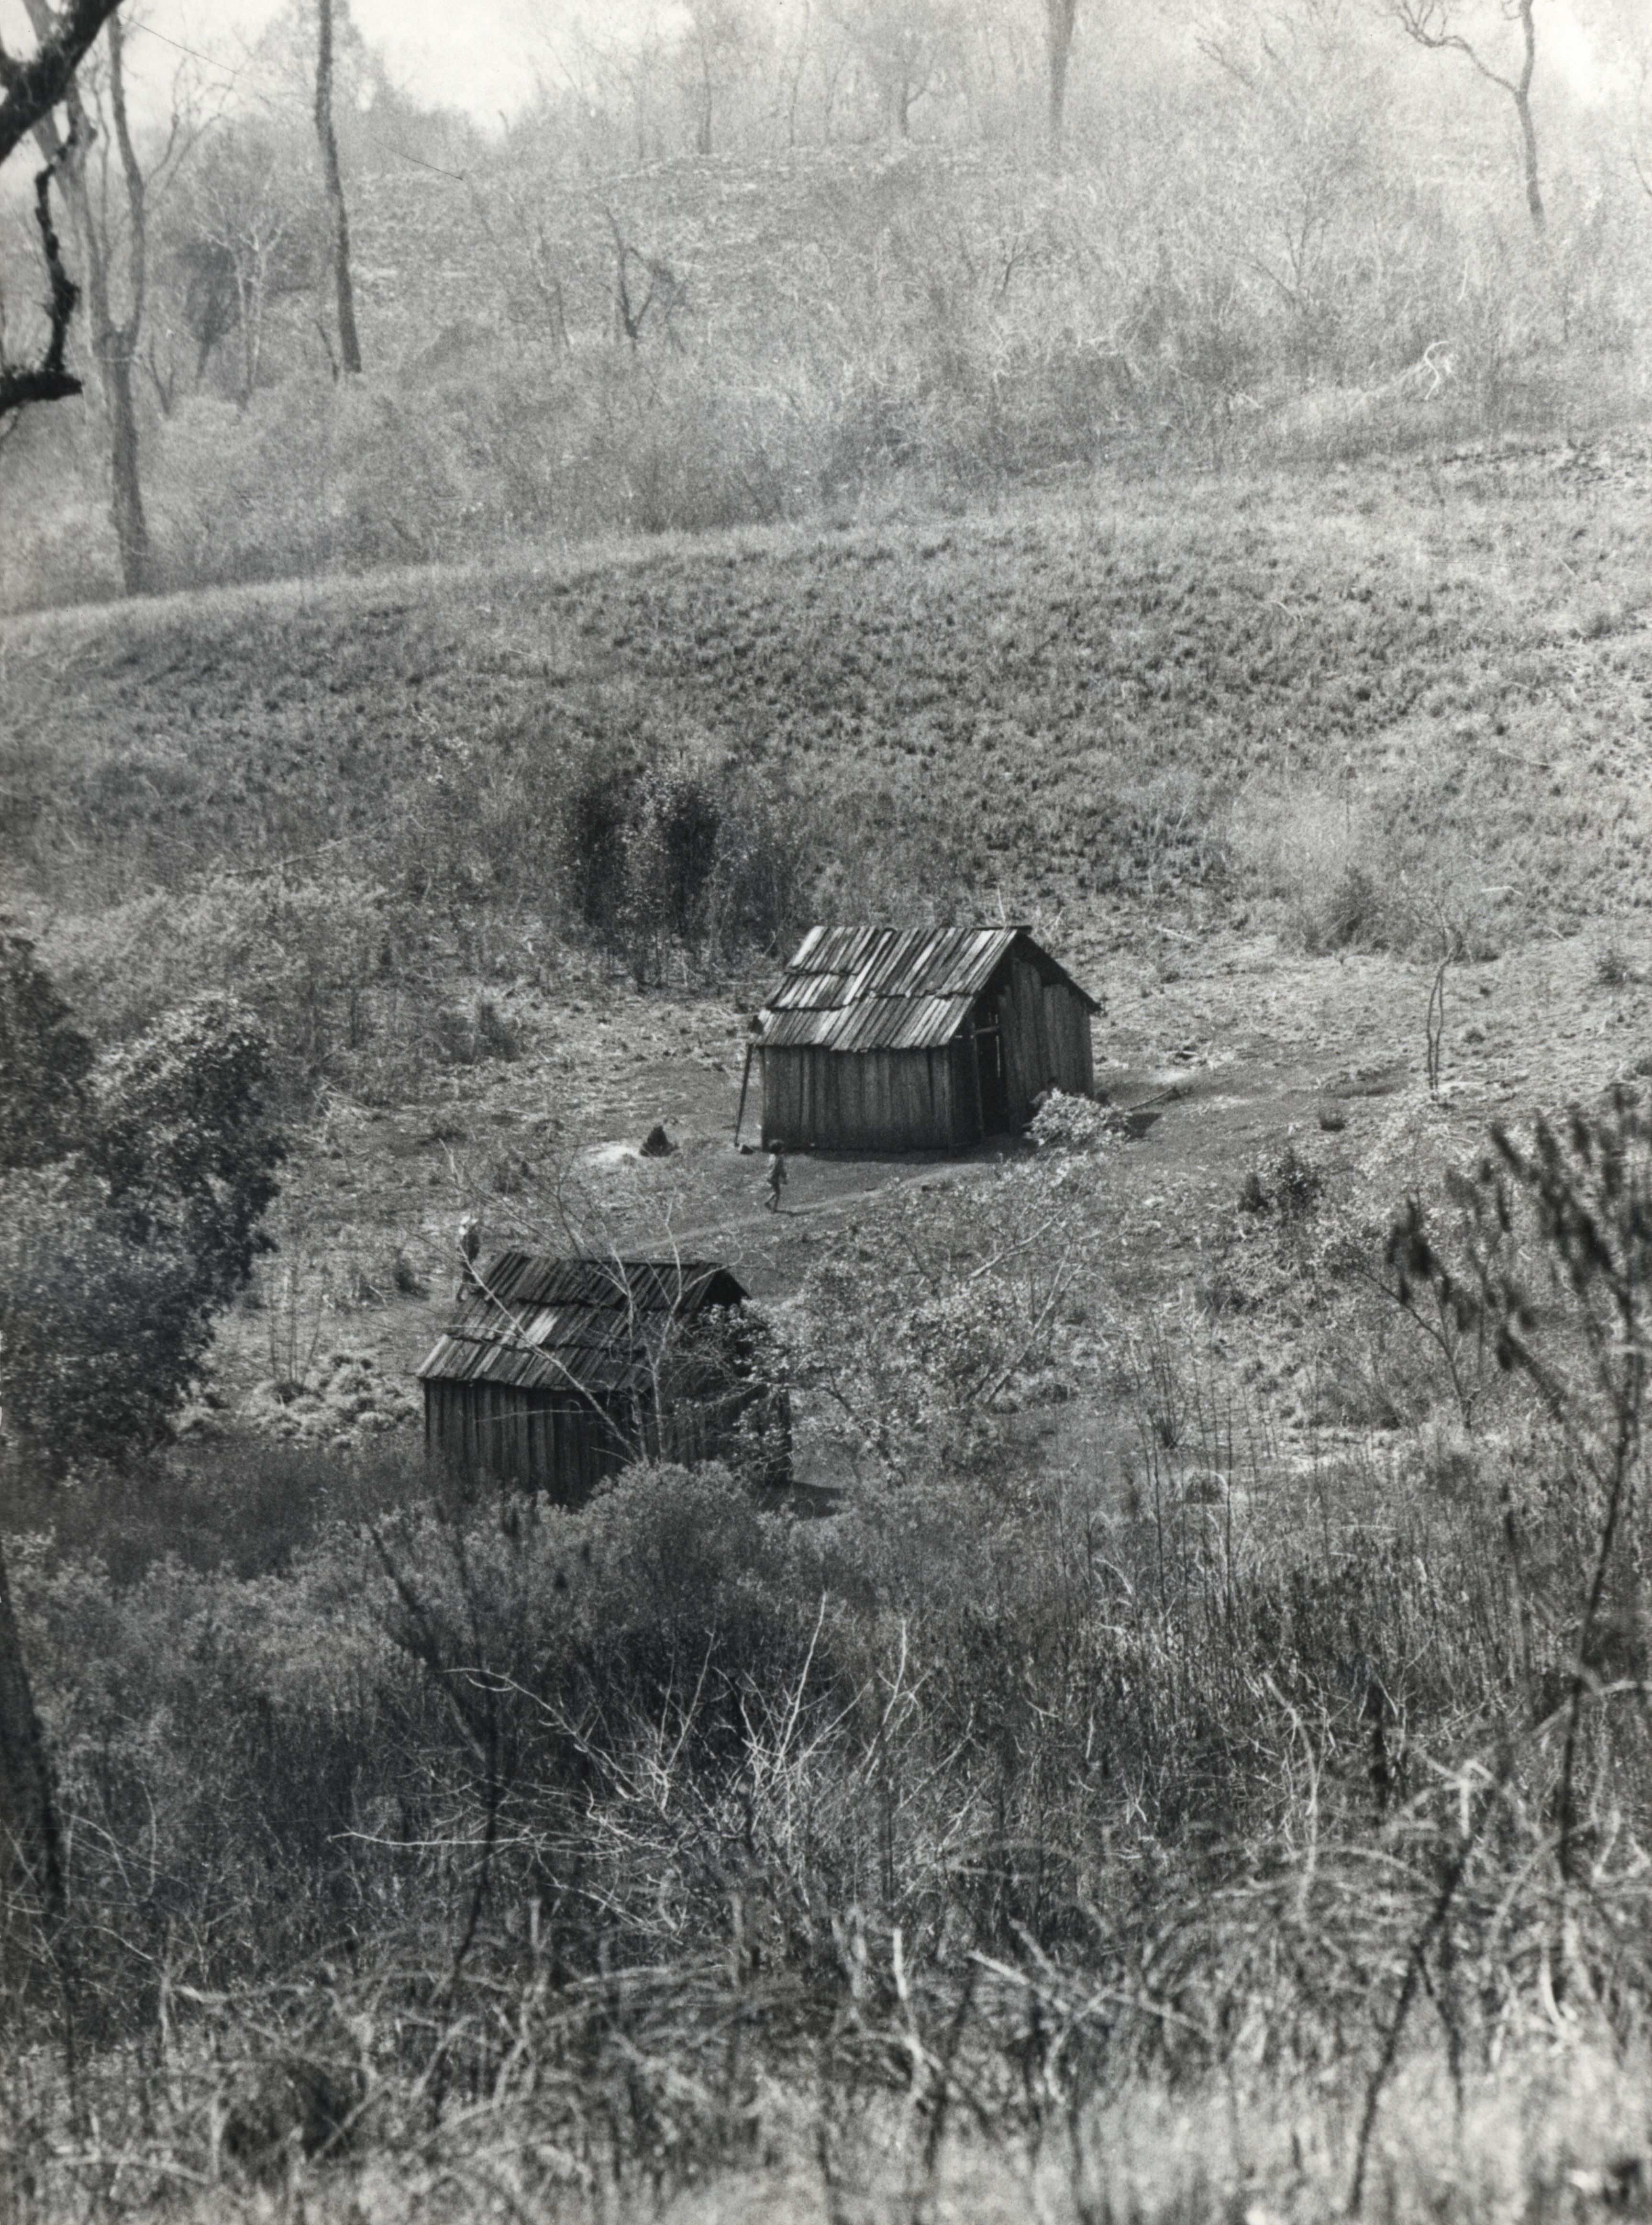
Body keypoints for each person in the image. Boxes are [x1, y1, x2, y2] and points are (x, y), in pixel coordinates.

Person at [764, 1144, 787, 1213]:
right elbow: (781, 1169)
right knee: (778, 1194)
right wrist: (784, 1177)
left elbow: (770, 1166)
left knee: (776, 1191)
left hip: (769, 1176)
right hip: (775, 1178)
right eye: (782, 1147)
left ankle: (767, 1202)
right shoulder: (780, 1158)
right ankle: (774, 1209)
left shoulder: (772, 1156)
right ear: (780, 1149)